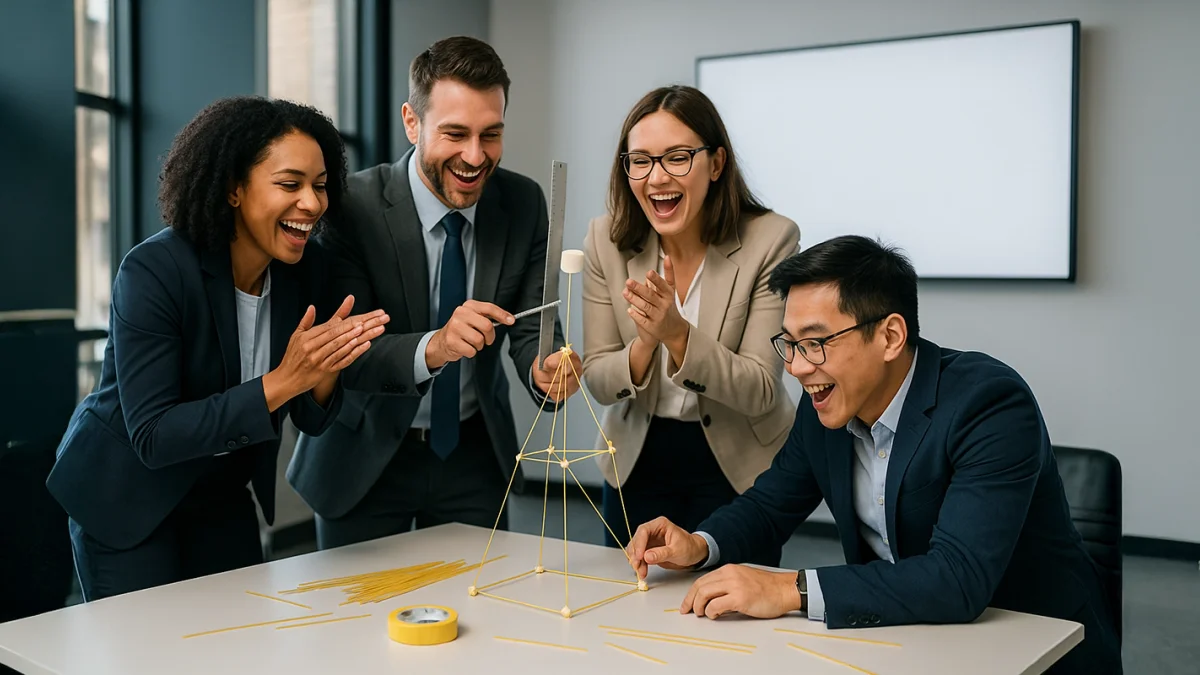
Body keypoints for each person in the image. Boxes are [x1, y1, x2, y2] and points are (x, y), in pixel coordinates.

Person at [626, 235, 1122, 674]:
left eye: (815, 343)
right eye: (790, 344)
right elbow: (769, 505)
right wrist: (699, 543)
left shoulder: (989, 403)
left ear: (890, 336)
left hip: (1033, 647)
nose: (797, 368)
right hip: (908, 638)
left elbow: (958, 577)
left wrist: (788, 590)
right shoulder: (825, 404)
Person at [46, 96, 389, 601]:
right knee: (149, 655)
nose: (313, 204)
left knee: (238, 642)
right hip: (128, 496)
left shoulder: (307, 270)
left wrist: (323, 368)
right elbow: (154, 435)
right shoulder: (154, 271)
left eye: (319, 186)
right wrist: (284, 380)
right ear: (233, 189)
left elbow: (310, 420)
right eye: (290, 185)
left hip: (222, 494)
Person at [290, 36, 581, 550]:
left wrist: (543, 368)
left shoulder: (523, 202)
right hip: (363, 454)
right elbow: (344, 351)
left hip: (473, 457)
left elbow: (533, 321)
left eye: (491, 134)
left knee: (481, 615)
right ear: (412, 122)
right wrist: (437, 346)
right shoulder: (350, 207)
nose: (475, 156)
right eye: (455, 134)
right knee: (351, 624)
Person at [581, 85, 798, 561]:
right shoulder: (605, 239)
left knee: (731, 614)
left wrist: (677, 335)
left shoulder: (772, 239)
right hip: (637, 455)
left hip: (738, 461)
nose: (657, 177)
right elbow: (597, 378)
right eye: (641, 160)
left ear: (716, 164)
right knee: (628, 607)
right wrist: (643, 347)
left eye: (678, 157)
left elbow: (762, 387)